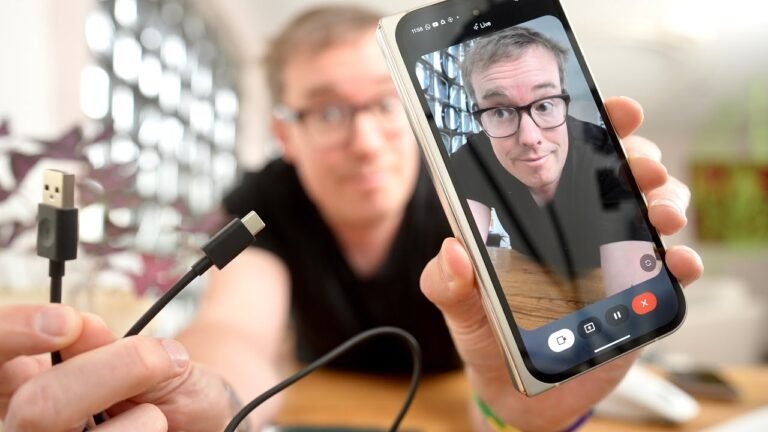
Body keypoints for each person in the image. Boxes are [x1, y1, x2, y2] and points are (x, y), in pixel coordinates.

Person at [0, 5, 703, 432]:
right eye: (329, 111)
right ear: (286, 133)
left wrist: (526, 403)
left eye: (383, 104)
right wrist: (202, 395)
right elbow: (235, 326)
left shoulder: (474, 183)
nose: (365, 141)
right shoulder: (268, 200)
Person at [453, 26, 660, 294]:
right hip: (531, 277)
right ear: (479, 117)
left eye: (544, 105)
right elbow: (461, 264)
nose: (530, 137)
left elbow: (634, 292)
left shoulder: (606, 156)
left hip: (596, 282)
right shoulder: (474, 157)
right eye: (501, 112)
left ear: (564, 102)